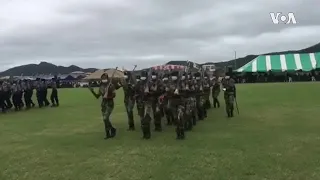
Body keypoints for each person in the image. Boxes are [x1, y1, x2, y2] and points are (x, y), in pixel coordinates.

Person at [88, 73, 121, 139]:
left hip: (110, 104)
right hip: (103, 104)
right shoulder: (101, 86)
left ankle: (112, 129)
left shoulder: (111, 85)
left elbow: (114, 95)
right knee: (105, 120)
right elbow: (97, 96)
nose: (104, 79)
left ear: (107, 78)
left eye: (105, 78)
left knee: (105, 118)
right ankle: (108, 133)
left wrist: (108, 96)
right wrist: (92, 91)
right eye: (102, 78)